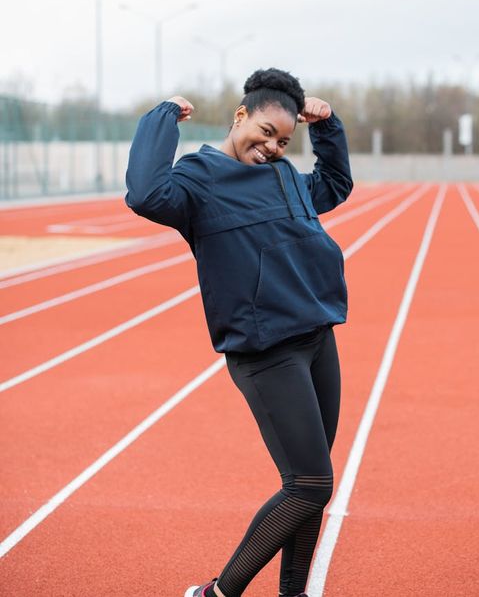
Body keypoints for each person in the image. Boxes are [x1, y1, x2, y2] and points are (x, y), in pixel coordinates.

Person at [125, 68, 353, 597]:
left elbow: (334, 185)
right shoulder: (198, 180)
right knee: (309, 484)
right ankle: (218, 593)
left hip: (317, 339)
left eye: (283, 139)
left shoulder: (282, 175)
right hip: (264, 350)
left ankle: (292, 592)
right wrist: (163, 119)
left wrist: (328, 125)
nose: (272, 146)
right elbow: (144, 194)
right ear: (240, 116)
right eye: (265, 132)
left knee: (312, 485)